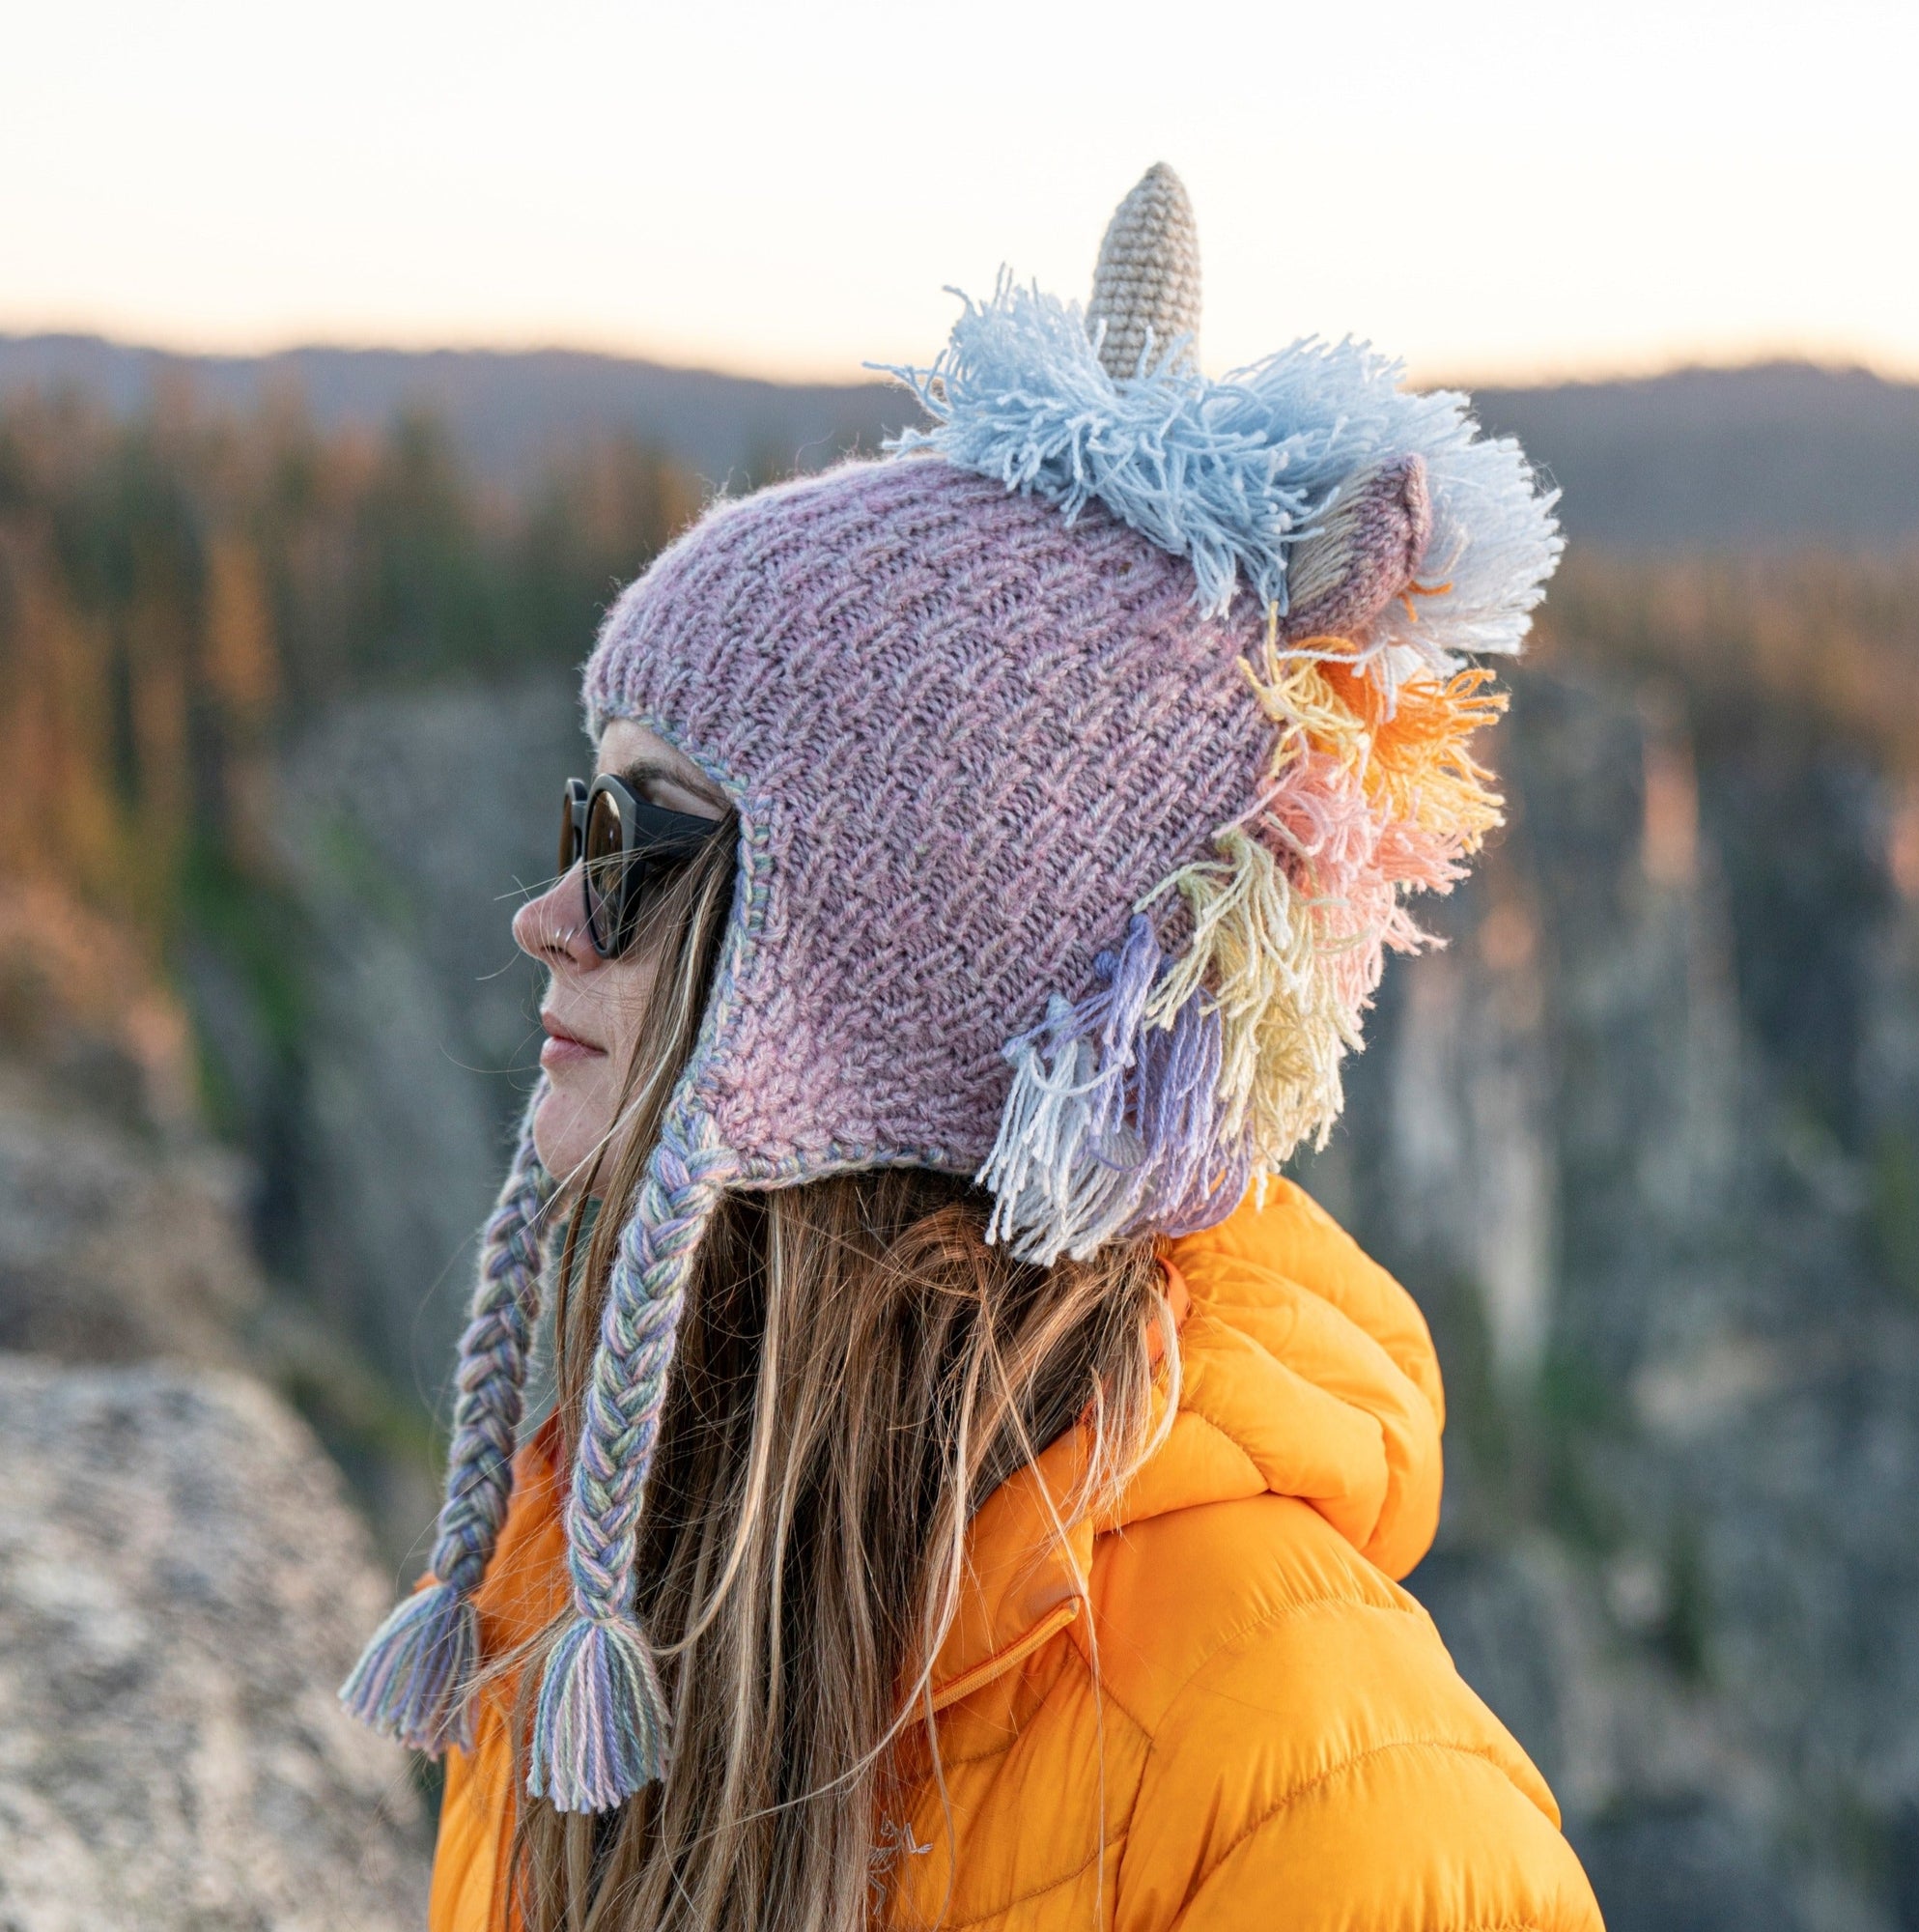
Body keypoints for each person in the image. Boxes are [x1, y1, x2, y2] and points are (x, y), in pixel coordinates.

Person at [341, 165, 1602, 1932]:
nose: (549, 917)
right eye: (580, 820)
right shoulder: (601, 1590)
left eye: (649, 841)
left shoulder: (1331, 1798)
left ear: (908, 961)